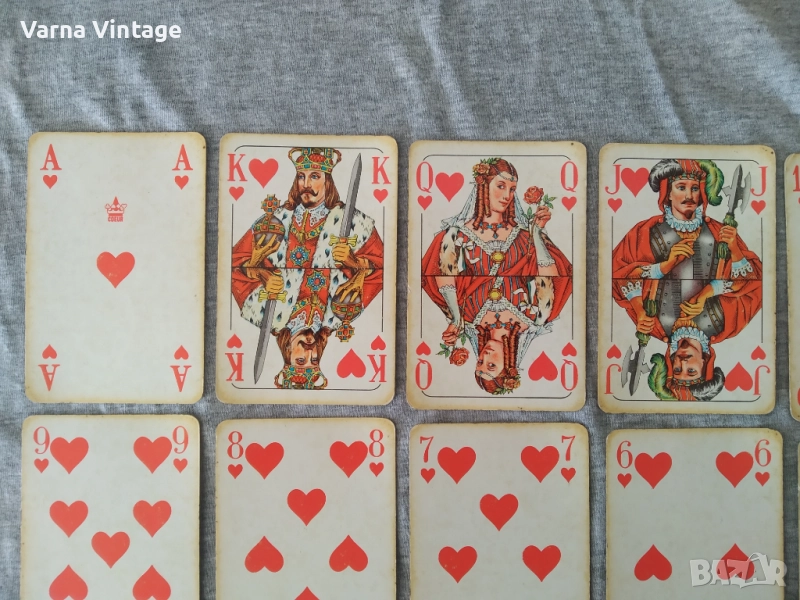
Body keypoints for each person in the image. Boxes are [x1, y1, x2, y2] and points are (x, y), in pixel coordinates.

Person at [230, 147, 384, 389]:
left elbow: (383, 267)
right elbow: (235, 262)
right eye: (301, 176)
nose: (306, 184)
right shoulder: (339, 316)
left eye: (314, 176)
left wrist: (352, 260)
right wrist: (261, 273)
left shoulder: (261, 315)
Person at [612, 159, 762, 400]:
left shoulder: (654, 326)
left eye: (694, 188)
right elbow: (753, 285)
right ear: (667, 193)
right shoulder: (725, 325)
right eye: (681, 187)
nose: (689, 195)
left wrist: (640, 309)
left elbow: (621, 281)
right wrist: (664, 266)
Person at [421, 158, 572, 395]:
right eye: (501, 186)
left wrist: (536, 234)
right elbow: (553, 280)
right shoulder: (536, 318)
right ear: (483, 186)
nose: (507, 196)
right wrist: (535, 233)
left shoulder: (469, 318)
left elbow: (444, 276)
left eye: (512, 189)